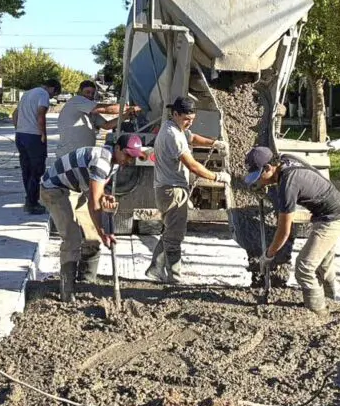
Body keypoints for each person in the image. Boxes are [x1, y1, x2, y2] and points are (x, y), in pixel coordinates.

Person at [40, 134, 147, 301]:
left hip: (76, 189)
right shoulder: (101, 162)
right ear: (117, 148)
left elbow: (97, 192)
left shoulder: (114, 162)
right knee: (72, 237)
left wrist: (104, 197)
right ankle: (67, 290)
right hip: (54, 189)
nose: (129, 160)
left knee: (92, 237)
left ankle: (86, 282)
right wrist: (103, 231)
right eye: (127, 155)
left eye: (133, 157)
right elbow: (94, 204)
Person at [244, 147, 340, 314]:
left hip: (332, 220)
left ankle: (317, 312)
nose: (258, 181)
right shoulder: (285, 160)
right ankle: (331, 302)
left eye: (258, 177)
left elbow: (284, 231)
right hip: (327, 213)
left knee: (304, 267)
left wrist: (268, 255)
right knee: (323, 265)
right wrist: (263, 186)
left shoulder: (288, 184)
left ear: (268, 168)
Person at [145, 96, 230, 283]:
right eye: (186, 119)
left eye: (192, 119)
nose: (189, 122)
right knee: (175, 235)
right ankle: (174, 276)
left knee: (170, 230)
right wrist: (217, 177)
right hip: (172, 190)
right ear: (175, 114)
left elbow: (192, 138)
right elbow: (192, 165)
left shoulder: (173, 127)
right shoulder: (173, 136)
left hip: (167, 188)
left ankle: (155, 269)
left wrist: (214, 143)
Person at [55, 80, 140, 157]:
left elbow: (107, 125)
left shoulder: (91, 112)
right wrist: (128, 108)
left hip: (83, 155)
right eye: (87, 92)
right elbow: (105, 109)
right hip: (68, 155)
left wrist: (126, 116)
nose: (90, 96)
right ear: (80, 92)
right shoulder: (76, 100)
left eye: (92, 93)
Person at [13, 78, 61, 215]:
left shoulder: (27, 93)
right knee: (37, 170)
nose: (52, 97)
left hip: (21, 135)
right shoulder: (43, 95)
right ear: (52, 88)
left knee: (26, 169)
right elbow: (41, 116)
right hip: (34, 136)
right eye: (54, 94)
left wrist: (18, 129)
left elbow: (15, 113)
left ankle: (29, 198)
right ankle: (32, 203)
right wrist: (43, 134)